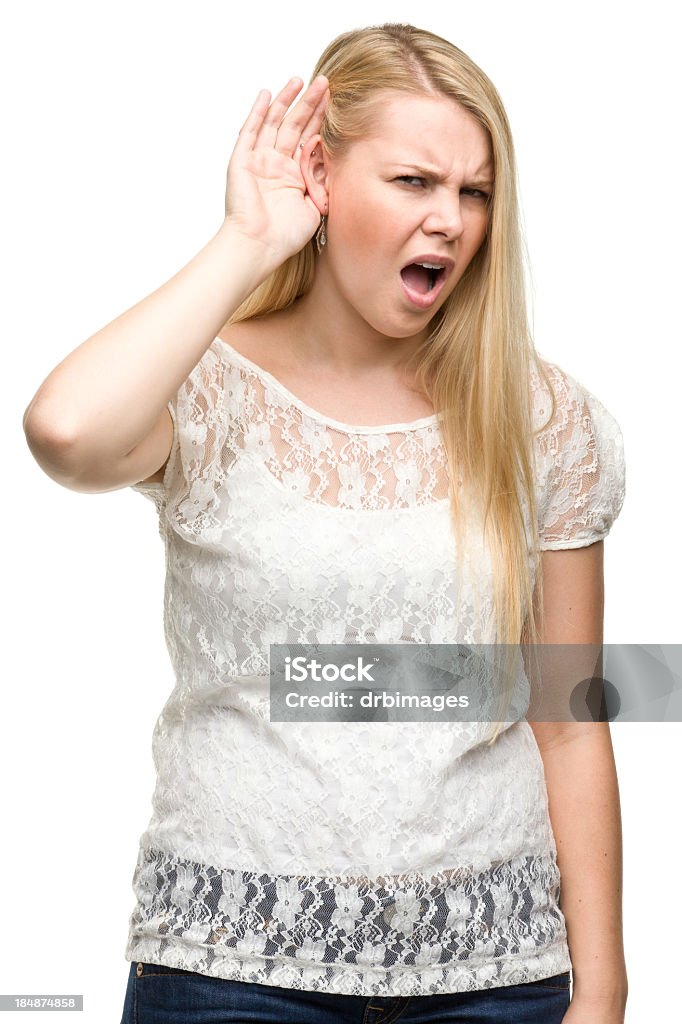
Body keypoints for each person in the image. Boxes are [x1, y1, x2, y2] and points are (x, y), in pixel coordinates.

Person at [22, 21, 628, 1024]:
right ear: (319, 175)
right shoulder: (209, 390)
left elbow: (568, 717)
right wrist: (248, 240)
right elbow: (67, 431)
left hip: (495, 982)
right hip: (226, 971)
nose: (449, 219)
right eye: (412, 181)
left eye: (473, 191)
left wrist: (601, 987)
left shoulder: (542, 418)